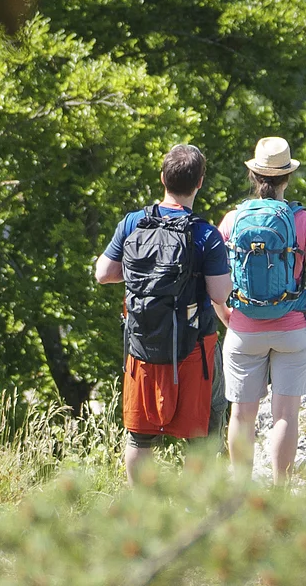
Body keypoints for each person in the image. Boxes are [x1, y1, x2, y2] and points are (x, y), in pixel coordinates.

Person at [94, 144, 232, 482]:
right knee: (204, 432)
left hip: (142, 345)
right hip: (194, 346)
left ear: (162, 179)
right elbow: (219, 293)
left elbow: (103, 273)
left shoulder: (133, 223)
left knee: (139, 435)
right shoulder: (205, 235)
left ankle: (140, 512)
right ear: (200, 182)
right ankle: (193, 509)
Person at [219, 136, 306, 479]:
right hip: (294, 327)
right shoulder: (304, 221)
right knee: (286, 414)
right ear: (287, 177)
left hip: (242, 328)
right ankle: (280, 495)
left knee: (241, 415)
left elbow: (215, 284)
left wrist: (227, 316)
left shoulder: (232, 220)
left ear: (254, 176)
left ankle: (240, 496)